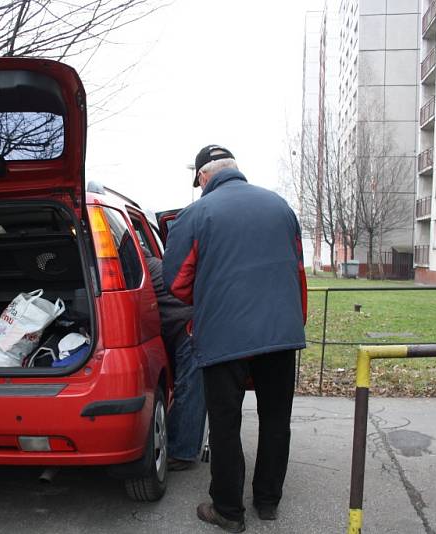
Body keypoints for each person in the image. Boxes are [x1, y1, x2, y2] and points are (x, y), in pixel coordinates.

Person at [163, 145, 307, 533]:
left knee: (225, 422)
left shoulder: (195, 215)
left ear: (204, 177)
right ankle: (267, 501)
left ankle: (228, 510)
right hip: (281, 332)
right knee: (276, 418)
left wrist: (211, 294)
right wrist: (294, 323)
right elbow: (297, 273)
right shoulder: (280, 206)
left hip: (224, 334)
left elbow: (176, 283)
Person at [142, 250, 206, 471]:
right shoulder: (156, 265)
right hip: (194, 326)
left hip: (188, 330)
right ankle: (185, 447)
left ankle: (181, 452)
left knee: (189, 391)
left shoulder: (141, 270)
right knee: (193, 391)